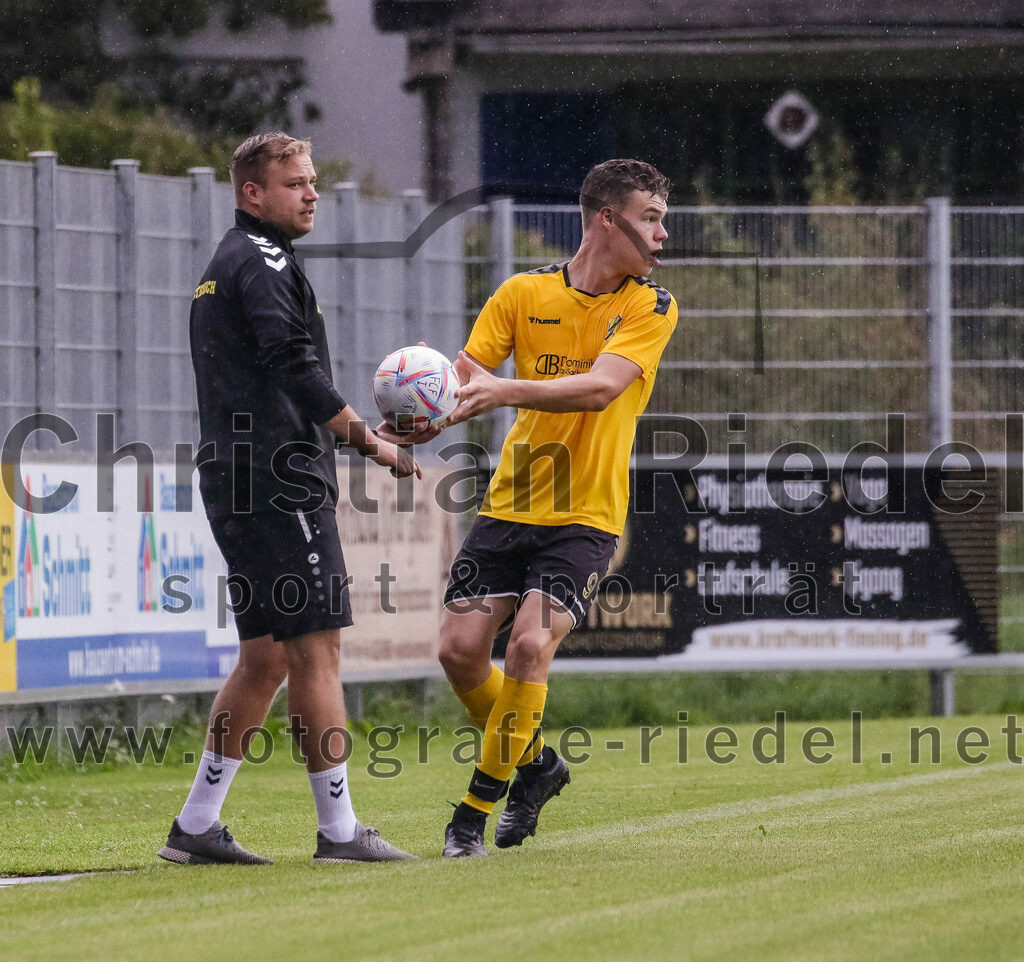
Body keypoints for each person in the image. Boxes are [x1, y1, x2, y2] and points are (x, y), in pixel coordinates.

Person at [159, 132, 434, 866]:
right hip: (276, 478)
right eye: (294, 182)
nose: (312, 193)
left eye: (312, 180)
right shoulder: (263, 259)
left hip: (238, 473)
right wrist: (364, 438)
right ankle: (340, 831)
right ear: (253, 192)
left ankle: (195, 825)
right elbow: (290, 359)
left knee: (265, 660)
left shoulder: (228, 262)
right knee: (318, 652)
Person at [438, 159, 677, 857]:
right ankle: (538, 766)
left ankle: (471, 815)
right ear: (607, 218)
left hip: (586, 515)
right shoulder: (521, 293)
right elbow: (464, 380)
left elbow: (600, 389)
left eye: (664, 218)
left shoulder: (650, 306)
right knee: (458, 653)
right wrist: (416, 413)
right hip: (510, 505)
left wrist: (502, 392)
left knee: (529, 646)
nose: (663, 234)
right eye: (652, 217)